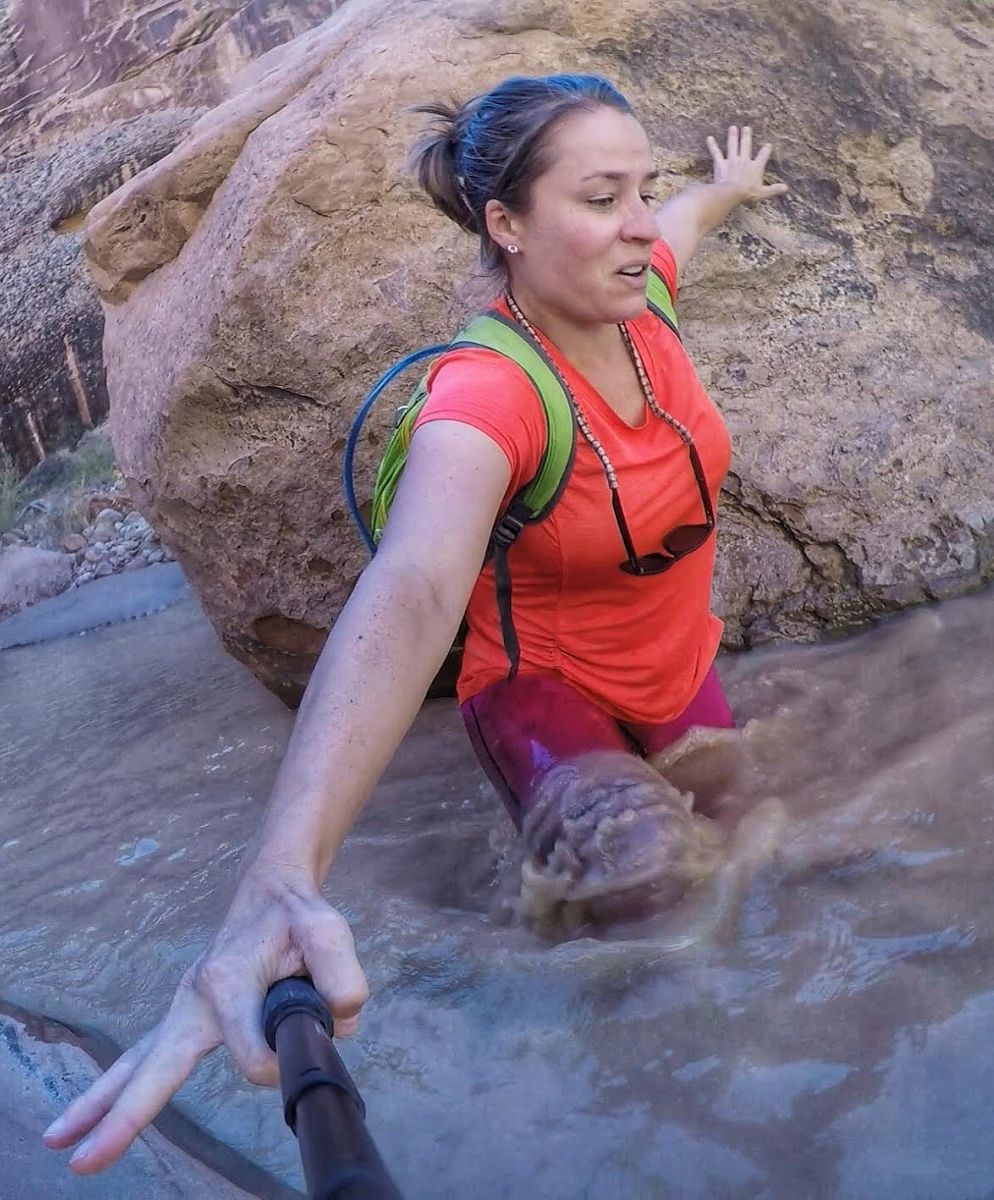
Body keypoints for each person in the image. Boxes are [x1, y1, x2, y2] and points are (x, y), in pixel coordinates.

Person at [43, 73, 788, 1174]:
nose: (636, 221)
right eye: (598, 197)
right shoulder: (486, 396)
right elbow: (415, 589)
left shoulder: (644, 291)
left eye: (643, 187)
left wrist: (720, 188)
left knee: (766, 845)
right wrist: (280, 878)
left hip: (675, 669)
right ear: (505, 223)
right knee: (641, 894)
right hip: (542, 689)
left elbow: (676, 228)